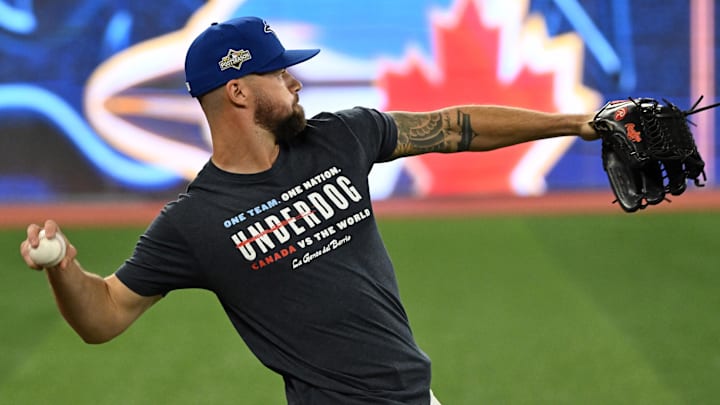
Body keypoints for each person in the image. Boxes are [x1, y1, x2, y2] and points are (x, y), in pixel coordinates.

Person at [20, 16, 599, 405]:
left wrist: (577, 123)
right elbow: (104, 316)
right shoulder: (193, 222)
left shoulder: (342, 137)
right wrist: (63, 269)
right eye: (278, 72)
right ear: (240, 92)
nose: (295, 82)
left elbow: (452, 128)